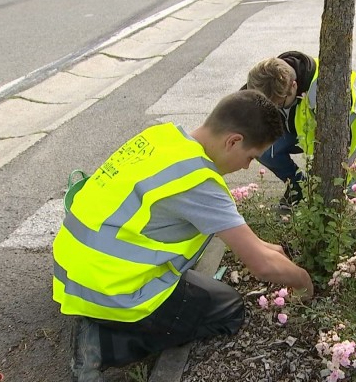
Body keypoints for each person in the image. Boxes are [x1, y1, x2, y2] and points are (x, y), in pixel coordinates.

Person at [52, 90, 314, 382]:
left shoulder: (163, 138)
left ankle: (102, 320)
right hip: (111, 289)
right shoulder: (198, 181)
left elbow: (255, 248)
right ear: (233, 141)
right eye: (251, 157)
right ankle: (102, 345)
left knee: (202, 292)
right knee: (228, 310)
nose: (246, 167)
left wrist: (269, 249)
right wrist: (303, 281)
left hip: (77, 269)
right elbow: (261, 266)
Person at [244, 51, 356, 209]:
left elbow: (337, 152)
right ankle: (298, 187)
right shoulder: (267, 78)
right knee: (260, 147)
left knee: (339, 188)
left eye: (278, 104)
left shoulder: (324, 93)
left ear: (294, 86)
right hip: (302, 128)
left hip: (347, 131)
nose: (273, 109)